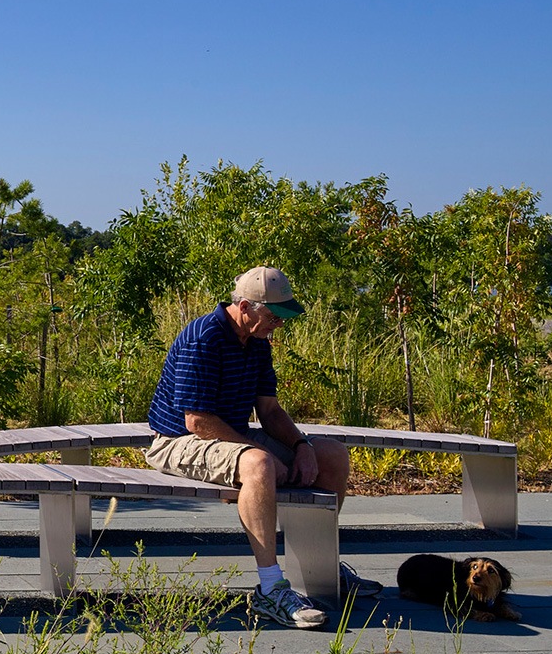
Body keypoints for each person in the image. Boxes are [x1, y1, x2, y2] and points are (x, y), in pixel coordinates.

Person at [146, 266, 380, 628]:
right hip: (178, 440)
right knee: (259, 464)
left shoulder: (256, 341)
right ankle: (271, 589)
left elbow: (268, 410)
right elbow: (198, 422)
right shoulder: (203, 337)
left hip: (227, 434)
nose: (279, 324)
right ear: (243, 306)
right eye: (273, 316)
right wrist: (266, 454)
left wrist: (301, 445)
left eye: (283, 316)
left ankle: (320, 569)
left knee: (332, 453)